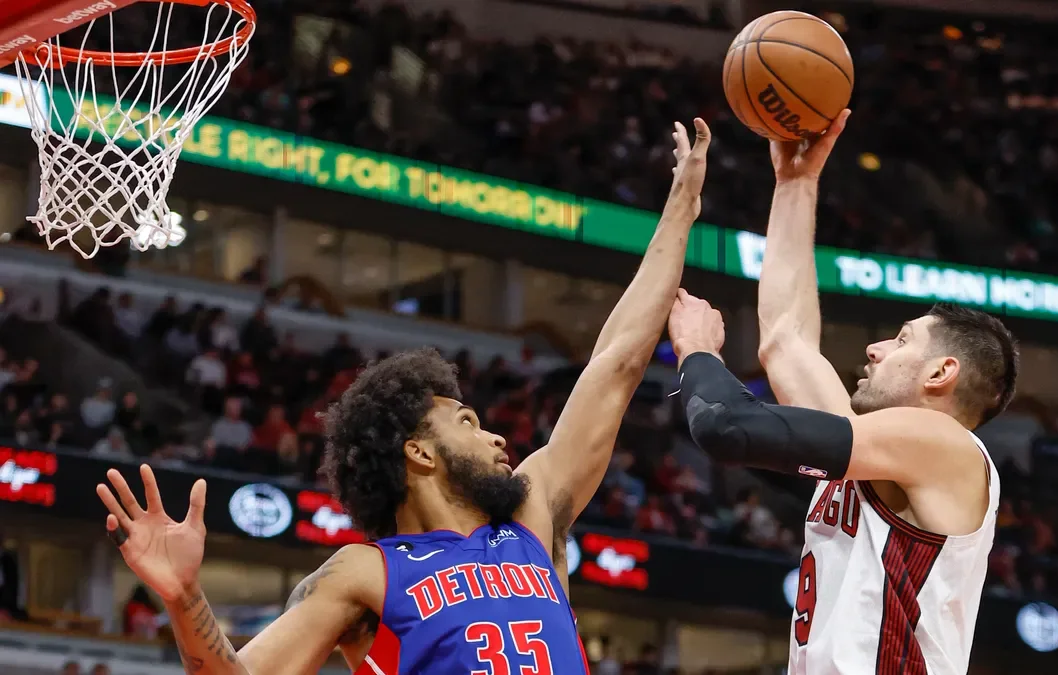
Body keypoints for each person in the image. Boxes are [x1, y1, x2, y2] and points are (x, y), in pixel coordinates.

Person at [94, 118, 712, 675]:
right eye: (466, 421)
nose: (497, 436)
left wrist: (681, 209)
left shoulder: (530, 515)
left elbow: (617, 364)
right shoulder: (362, 574)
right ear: (418, 452)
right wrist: (184, 599)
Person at [666, 110, 1019, 675]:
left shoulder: (940, 441)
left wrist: (699, 352)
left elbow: (726, 427)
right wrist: (795, 184)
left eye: (902, 340)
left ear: (940, 374)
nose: (876, 349)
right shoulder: (875, 452)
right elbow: (784, 339)